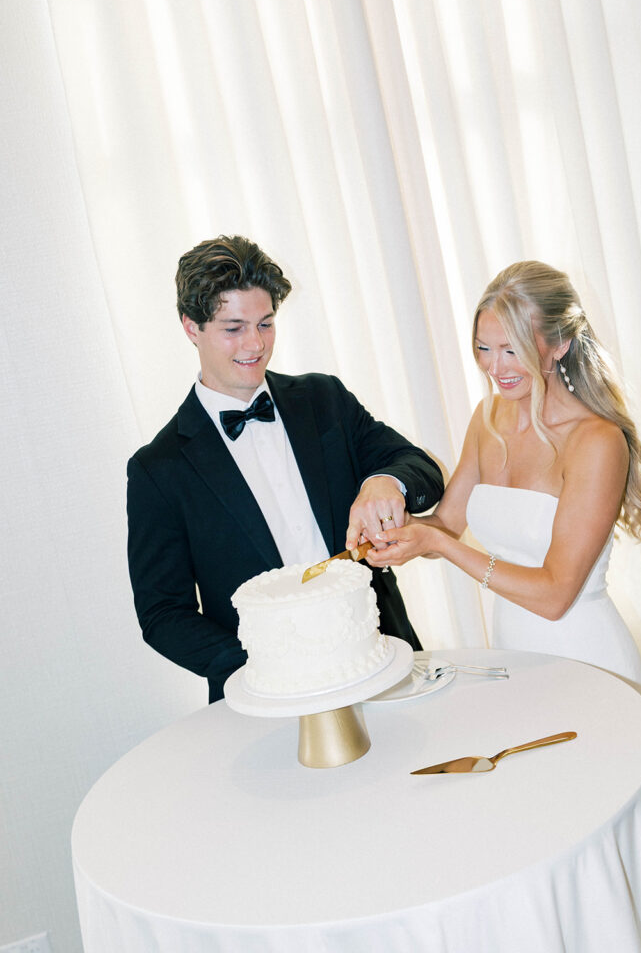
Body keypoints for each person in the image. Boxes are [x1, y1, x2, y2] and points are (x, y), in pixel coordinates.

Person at [127, 234, 444, 702]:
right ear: (191, 327)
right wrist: (259, 666)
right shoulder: (158, 468)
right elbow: (162, 613)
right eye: (233, 328)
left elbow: (421, 469)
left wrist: (385, 481)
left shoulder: (324, 399)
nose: (255, 344)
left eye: (266, 323)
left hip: (381, 660)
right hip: (264, 693)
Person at [369, 260, 641, 689]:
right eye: (484, 348)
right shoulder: (487, 418)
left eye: (512, 349)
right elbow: (447, 526)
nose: (495, 367)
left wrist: (440, 546)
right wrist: (398, 527)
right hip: (512, 655)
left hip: (588, 660)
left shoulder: (596, 440)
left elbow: (556, 595)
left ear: (559, 343)